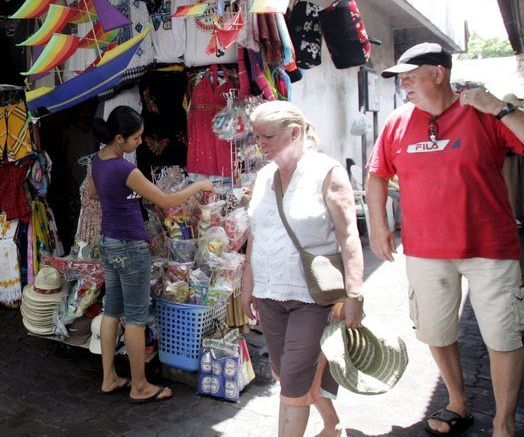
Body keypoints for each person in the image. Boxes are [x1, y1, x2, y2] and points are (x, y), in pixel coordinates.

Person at [367, 42, 524, 437]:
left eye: (410, 75)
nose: (403, 83)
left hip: (489, 248)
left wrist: (501, 108)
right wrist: (378, 224)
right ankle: (458, 401)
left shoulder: (482, 112)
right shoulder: (397, 122)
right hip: (425, 250)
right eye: (400, 78)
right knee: (436, 332)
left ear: (438, 73)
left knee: (504, 336)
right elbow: (377, 175)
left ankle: (503, 423)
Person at [241, 101, 364, 437]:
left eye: (267, 136)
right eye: (256, 136)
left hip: (311, 295)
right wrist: (247, 285)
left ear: (294, 133)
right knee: (286, 373)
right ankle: (332, 422)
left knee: (293, 381)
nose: (259, 143)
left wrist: (354, 295)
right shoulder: (264, 175)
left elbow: (349, 237)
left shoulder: (327, 172)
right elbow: (257, 233)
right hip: (269, 294)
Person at [88, 106, 213, 404]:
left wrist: (119, 197)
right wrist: (198, 186)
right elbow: (166, 200)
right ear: (119, 138)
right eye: (136, 138)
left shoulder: (97, 161)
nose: (140, 142)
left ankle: (109, 377)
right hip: (130, 246)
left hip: (108, 241)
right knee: (135, 318)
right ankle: (140, 385)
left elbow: (92, 193)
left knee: (112, 311)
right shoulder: (124, 169)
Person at [500, 94, 524, 228]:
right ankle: (514, 216)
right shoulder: (500, 121)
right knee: (512, 187)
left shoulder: (516, 120)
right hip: (509, 158)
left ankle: (521, 214)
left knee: (523, 186)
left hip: (520, 157)